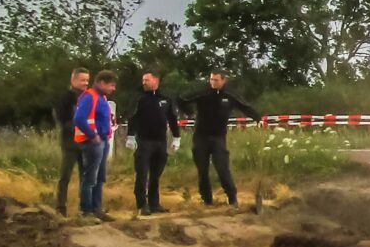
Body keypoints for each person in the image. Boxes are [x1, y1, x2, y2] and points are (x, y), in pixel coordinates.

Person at [180, 71, 263, 207]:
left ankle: (232, 198)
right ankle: (207, 200)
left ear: (223, 81)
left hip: (218, 137)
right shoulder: (202, 93)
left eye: (216, 80)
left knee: (222, 169)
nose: (213, 82)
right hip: (201, 137)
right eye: (211, 79)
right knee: (203, 171)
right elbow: (181, 100)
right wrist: (189, 112)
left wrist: (258, 119)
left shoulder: (229, 95)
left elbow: (245, 106)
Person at [126, 71, 183, 215]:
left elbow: (172, 118)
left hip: (160, 142)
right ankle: (142, 204)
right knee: (142, 174)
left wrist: (177, 137)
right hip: (144, 141)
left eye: (147, 80)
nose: (144, 82)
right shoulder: (139, 98)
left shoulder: (166, 99)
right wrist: (130, 136)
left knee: (156, 175)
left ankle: (154, 204)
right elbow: (133, 117)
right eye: (143, 80)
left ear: (156, 81)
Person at [73, 70, 118, 220]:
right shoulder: (89, 96)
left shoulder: (102, 98)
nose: (113, 89)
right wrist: (93, 136)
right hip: (93, 143)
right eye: (111, 85)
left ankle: (97, 209)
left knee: (99, 177)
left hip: (103, 141)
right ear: (102, 83)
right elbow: (78, 118)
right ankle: (86, 211)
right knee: (90, 178)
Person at [53, 67, 90, 216]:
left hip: (86, 142)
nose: (85, 83)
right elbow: (62, 120)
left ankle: (85, 208)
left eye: (87, 80)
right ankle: (60, 207)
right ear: (73, 80)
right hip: (70, 142)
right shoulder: (65, 98)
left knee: (86, 176)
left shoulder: (89, 97)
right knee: (65, 175)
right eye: (82, 80)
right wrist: (78, 127)